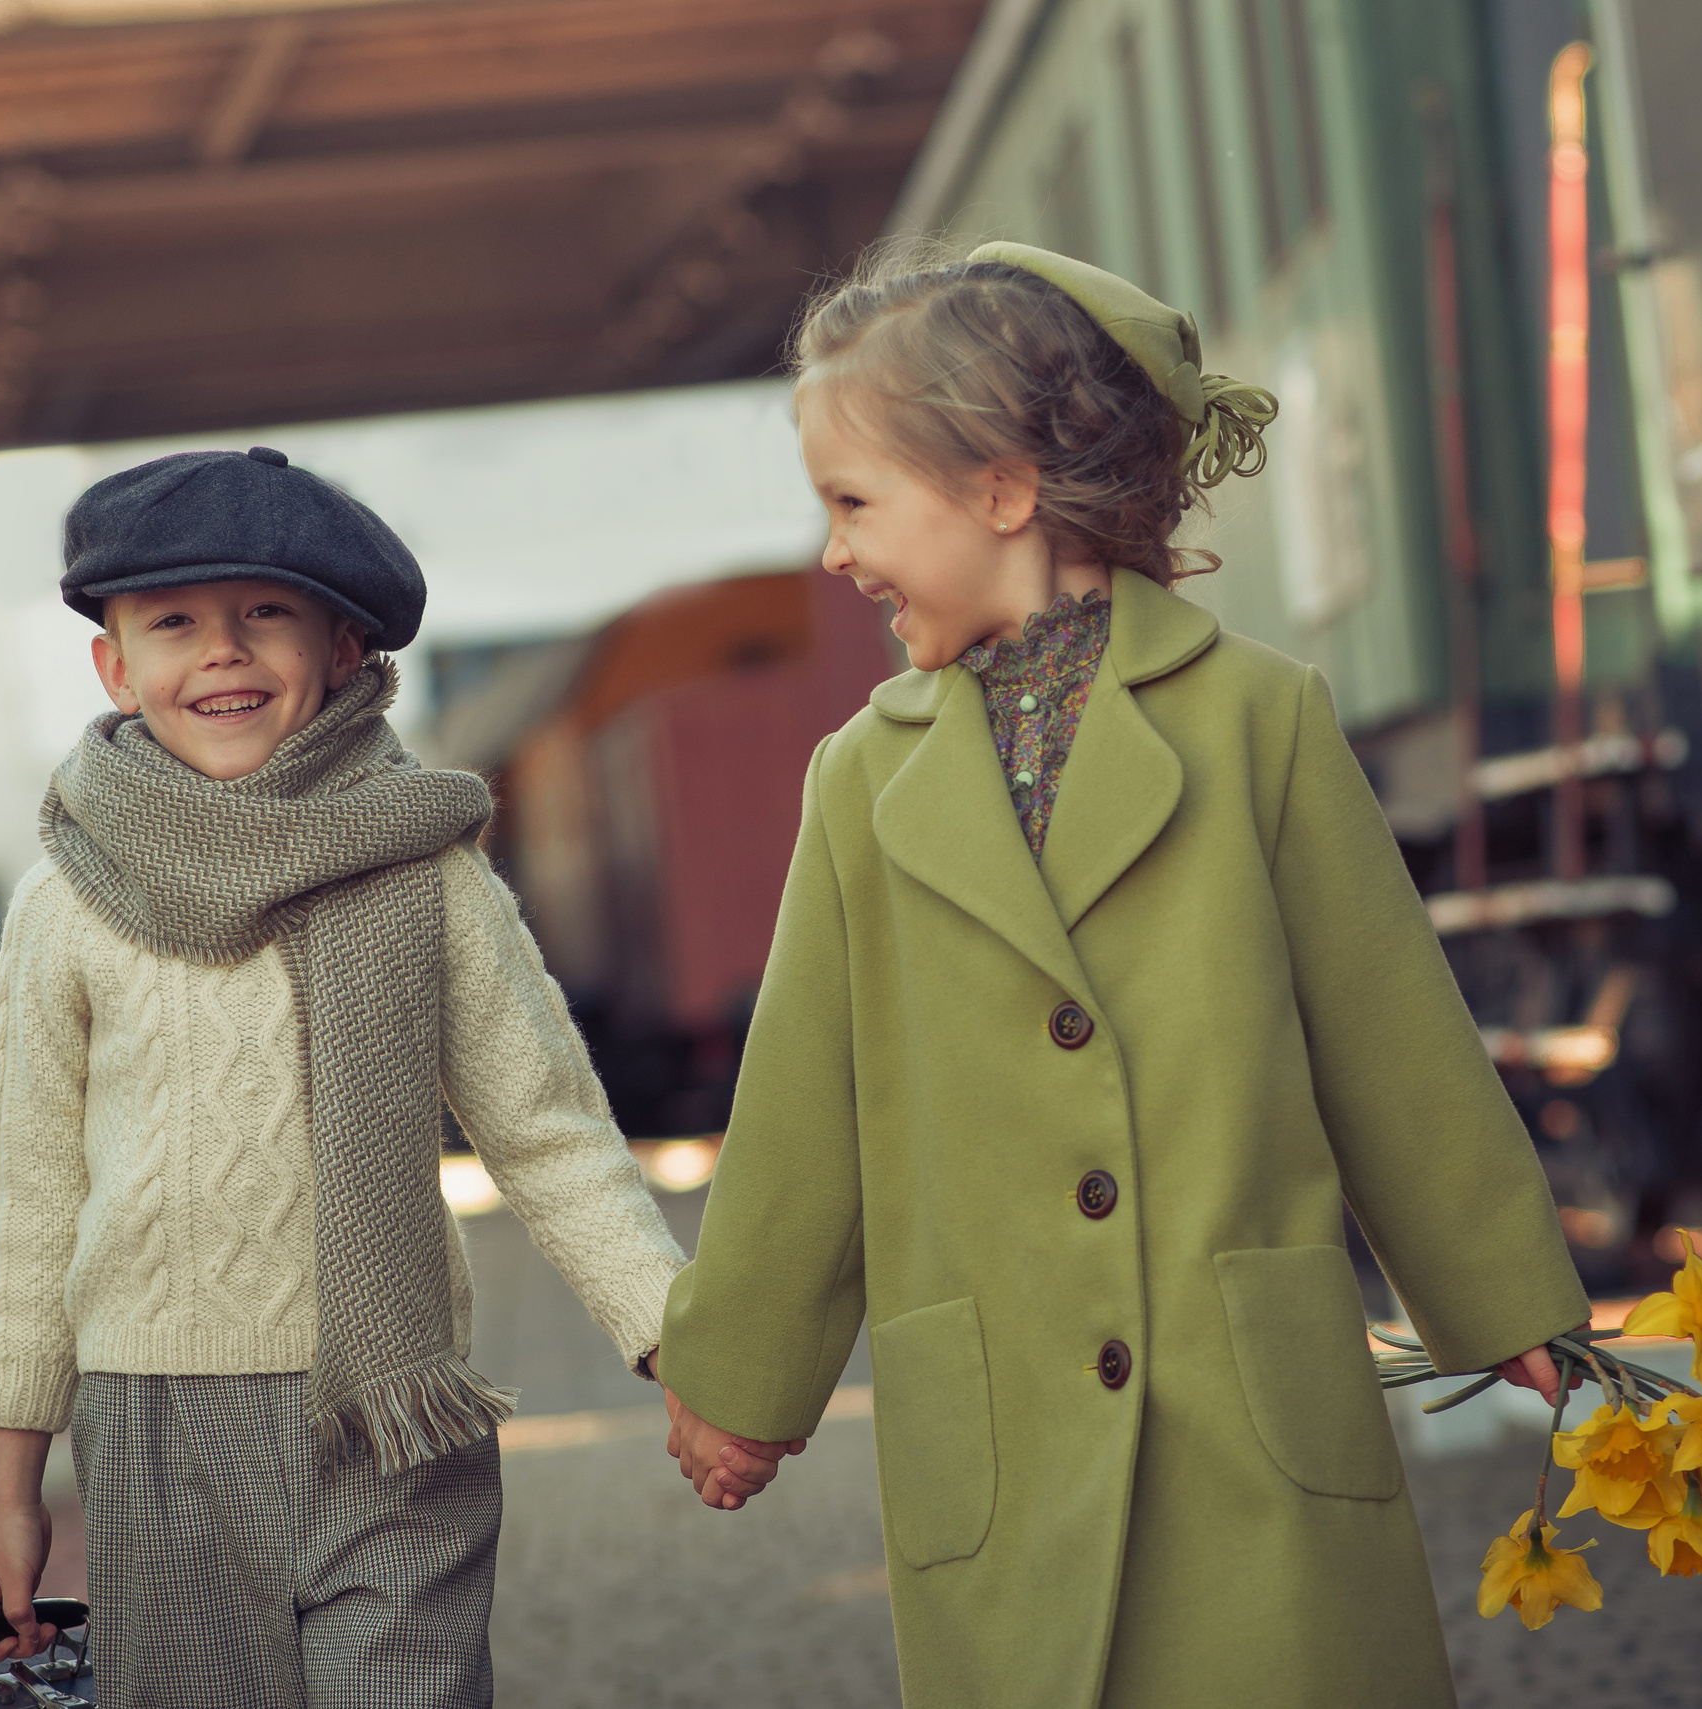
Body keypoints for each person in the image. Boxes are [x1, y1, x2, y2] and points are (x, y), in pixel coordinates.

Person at [651, 243, 1591, 1709]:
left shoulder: (1258, 718)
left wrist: (1503, 1292)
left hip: (1247, 1413)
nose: (833, 552)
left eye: (852, 502)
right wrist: (743, 1375)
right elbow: (801, 1109)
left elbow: (1389, 1031)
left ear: (1002, 490)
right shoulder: (858, 780)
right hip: (1004, 1430)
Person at [0, 446, 690, 1708]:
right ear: (115, 665)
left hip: (394, 1411)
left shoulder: (429, 872)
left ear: (344, 648)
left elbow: (549, 1131)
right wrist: (11, 1486)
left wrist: (674, 1334)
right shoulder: (64, 903)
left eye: (267, 614)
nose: (223, 653)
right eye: (175, 622)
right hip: (155, 1427)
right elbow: (30, 1199)